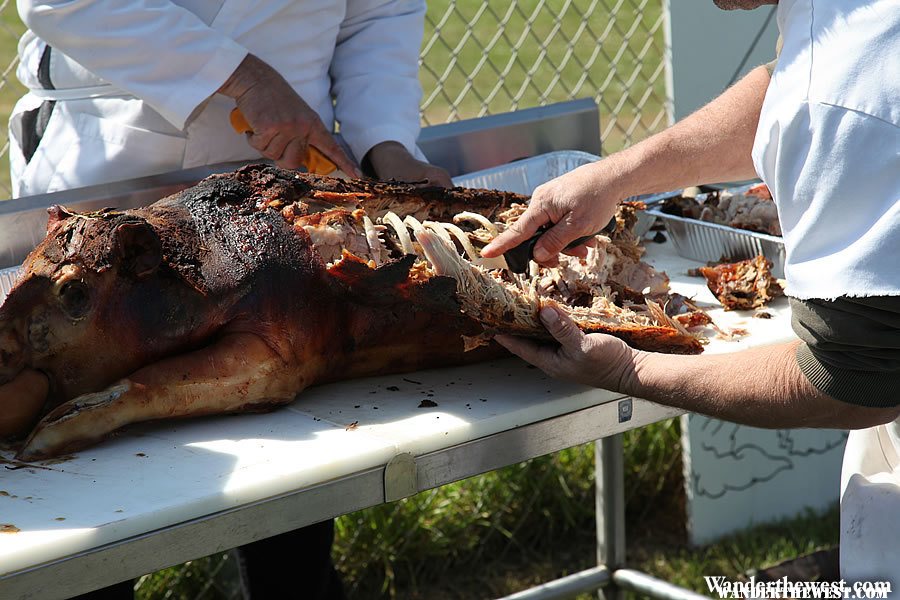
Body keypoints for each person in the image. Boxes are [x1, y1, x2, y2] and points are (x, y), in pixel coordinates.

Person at [10, 1, 451, 598]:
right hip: (107, 188)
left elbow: (379, 13)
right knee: (88, 524)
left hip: (282, 196)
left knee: (292, 500)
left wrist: (387, 145)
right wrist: (240, 74)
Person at [482, 0, 899, 585]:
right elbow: (790, 84)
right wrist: (614, 177)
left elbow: (854, 380)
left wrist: (630, 373)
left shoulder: (841, 94)